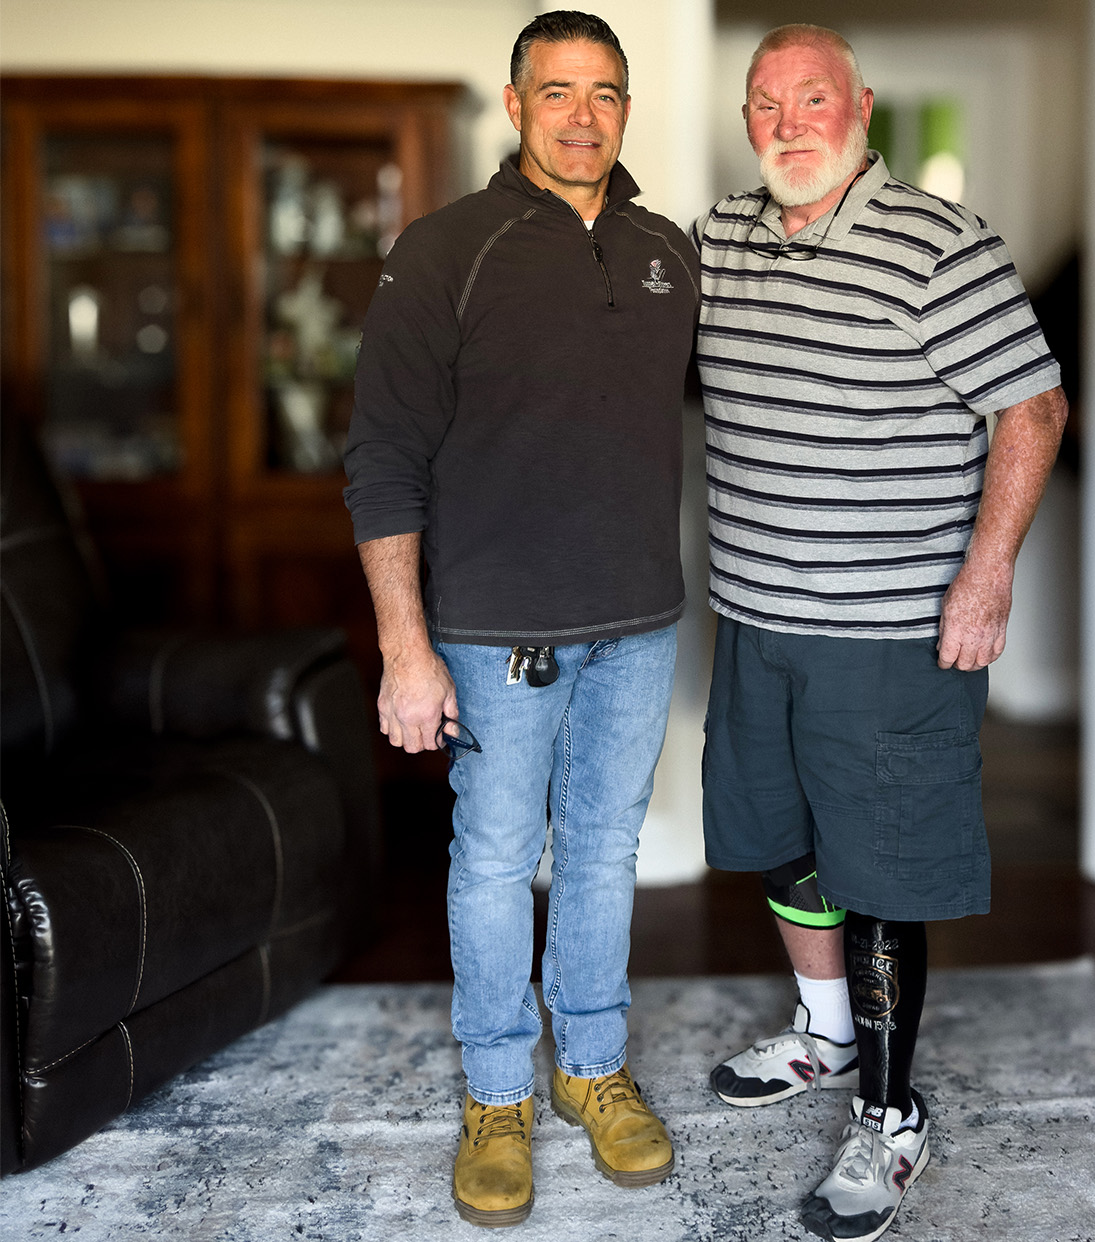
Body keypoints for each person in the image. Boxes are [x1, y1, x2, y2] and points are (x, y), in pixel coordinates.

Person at [693, 23, 1068, 1242]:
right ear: (747, 119)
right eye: (766, 102)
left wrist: (988, 574)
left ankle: (893, 1114)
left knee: (880, 872)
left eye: (813, 98)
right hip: (756, 617)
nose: (789, 121)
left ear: (861, 106)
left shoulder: (940, 248)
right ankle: (825, 1040)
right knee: (783, 843)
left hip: (892, 632)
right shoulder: (719, 240)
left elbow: (1034, 409)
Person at [343, 10, 698, 1229]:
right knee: (496, 858)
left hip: (641, 622)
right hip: (496, 634)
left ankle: (589, 1069)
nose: (582, 114)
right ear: (514, 105)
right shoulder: (445, 250)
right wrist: (405, 646)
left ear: (626, 109)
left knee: (602, 853)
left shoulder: (668, 252)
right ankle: (497, 1091)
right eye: (558, 92)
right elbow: (382, 457)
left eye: (604, 92)